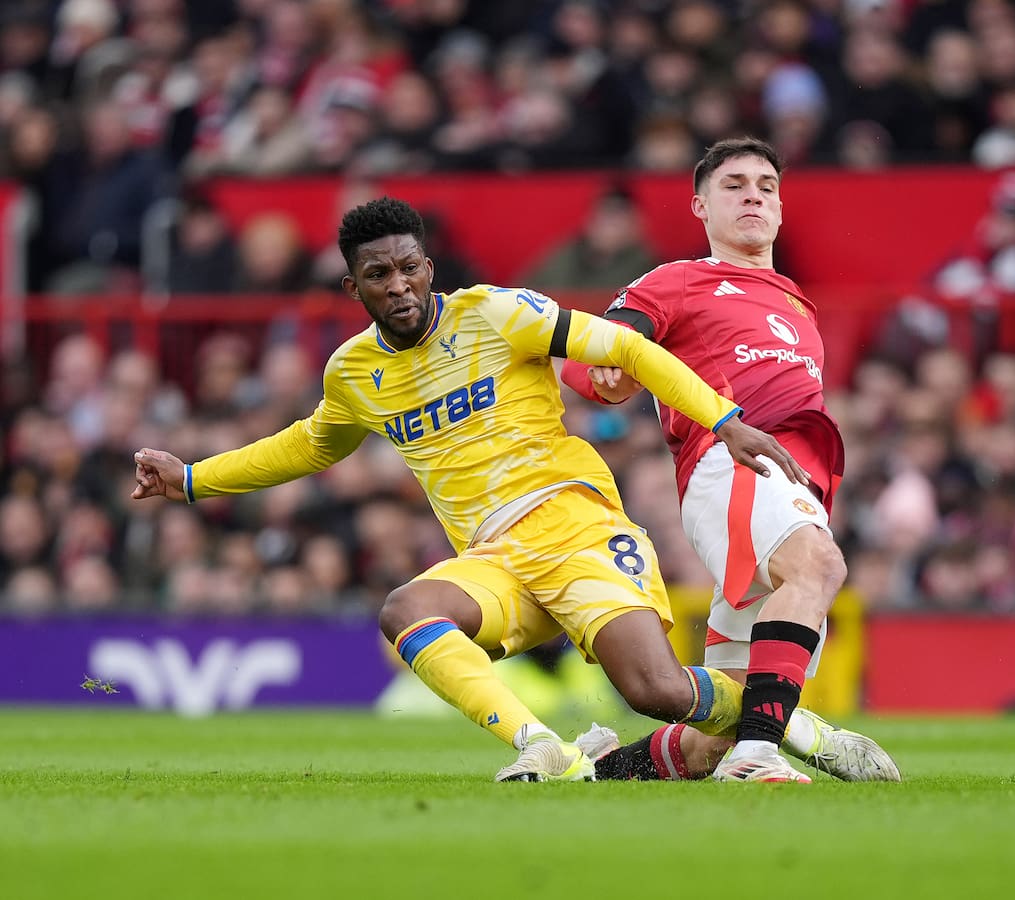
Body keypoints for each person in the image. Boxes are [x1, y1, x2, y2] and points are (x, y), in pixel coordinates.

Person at [130, 195, 808, 783]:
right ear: (353, 288)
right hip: (494, 562)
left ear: (428, 268)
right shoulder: (353, 373)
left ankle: (796, 729)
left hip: (576, 529)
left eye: (408, 268)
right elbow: (308, 445)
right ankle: (544, 747)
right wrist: (192, 479)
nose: (398, 286)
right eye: (378, 275)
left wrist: (724, 422)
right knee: (405, 610)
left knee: (655, 692)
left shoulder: (498, 314)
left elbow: (625, 349)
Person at [561, 137, 901, 783]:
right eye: (735, 184)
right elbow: (598, 346)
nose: (754, 195)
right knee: (819, 565)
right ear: (700, 206)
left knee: (719, 727)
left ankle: (593, 769)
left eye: (767, 186)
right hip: (734, 461)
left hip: (791, 479)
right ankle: (763, 754)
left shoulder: (796, 301)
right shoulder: (677, 280)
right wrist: (606, 368)